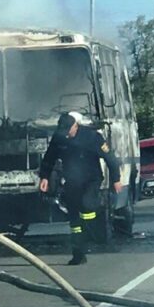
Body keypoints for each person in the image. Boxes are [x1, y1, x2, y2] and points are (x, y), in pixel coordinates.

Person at [38, 112, 122, 265]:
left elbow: (110, 159)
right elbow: (49, 159)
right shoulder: (59, 138)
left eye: (68, 130)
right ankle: (79, 253)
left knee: (87, 204)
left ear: (75, 126)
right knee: (74, 219)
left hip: (91, 179)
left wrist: (116, 179)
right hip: (72, 181)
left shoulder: (92, 137)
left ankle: (94, 229)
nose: (66, 135)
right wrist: (44, 177)